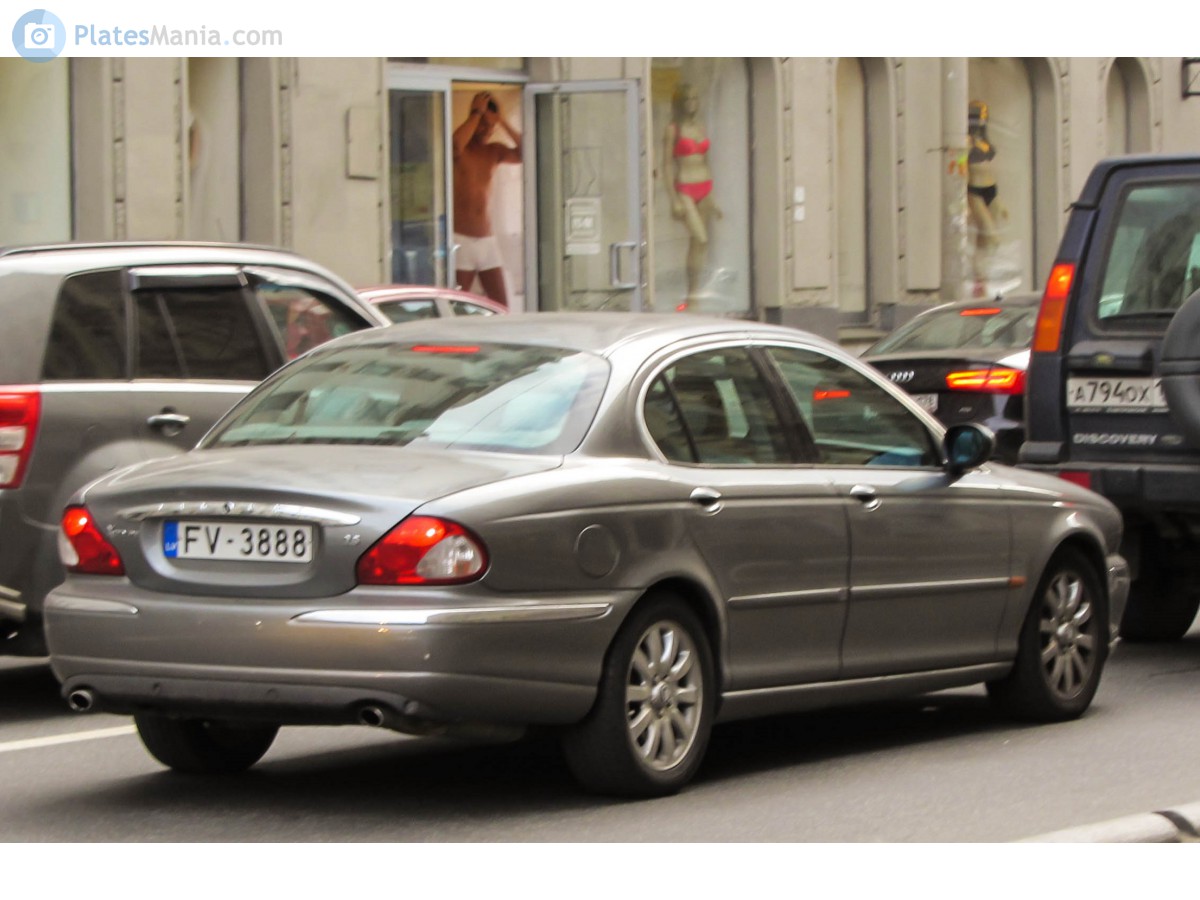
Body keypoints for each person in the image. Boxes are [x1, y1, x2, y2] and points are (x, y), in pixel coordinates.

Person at [452, 90, 522, 306]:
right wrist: (476, 114)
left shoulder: (494, 151)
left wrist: (500, 120)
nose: (487, 131)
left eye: (490, 127)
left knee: (501, 306)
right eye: (483, 125)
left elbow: (527, 151)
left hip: (487, 240)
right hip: (460, 238)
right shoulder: (461, 149)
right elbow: (454, 144)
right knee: (458, 304)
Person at [664, 83, 721, 308]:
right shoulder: (673, 129)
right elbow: (667, 165)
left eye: (695, 99)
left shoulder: (700, 127)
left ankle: (694, 293)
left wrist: (713, 197)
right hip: (685, 187)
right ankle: (692, 294)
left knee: (698, 244)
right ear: (680, 103)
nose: (692, 103)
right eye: (687, 99)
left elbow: (707, 160)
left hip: (704, 186)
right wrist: (674, 199)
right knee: (700, 238)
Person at [967, 99, 1008, 253]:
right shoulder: (968, 142)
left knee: (983, 238)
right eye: (979, 116)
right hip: (975, 191)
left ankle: (980, 272)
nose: (982, 120)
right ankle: (980, 269)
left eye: (984, 116)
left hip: (991, 189)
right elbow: (961, 167)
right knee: (990, 234)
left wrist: (998, 200)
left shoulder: (985, 142)